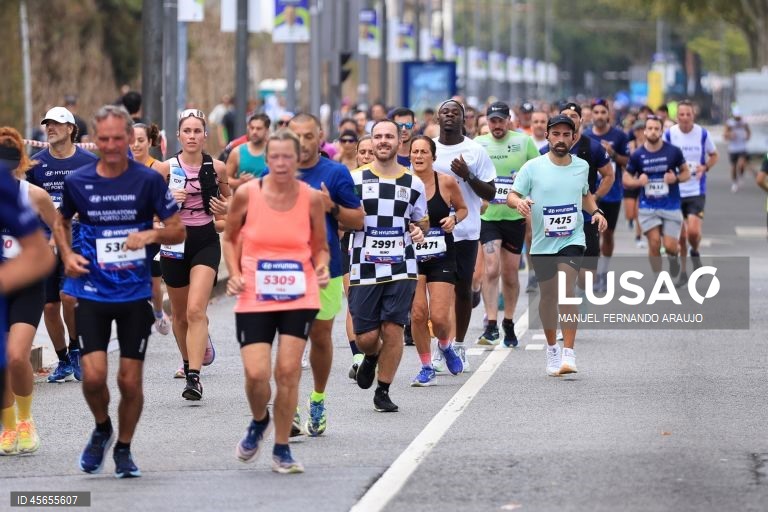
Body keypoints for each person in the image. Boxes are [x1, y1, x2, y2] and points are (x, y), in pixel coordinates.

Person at [53, 104, 185, 477]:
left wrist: (151, 233)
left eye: (118, 138)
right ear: (95, 140)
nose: (111, 146)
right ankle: (102, 428)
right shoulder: (78, 181)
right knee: (93, 377)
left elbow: (178, 231)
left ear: (129, 138)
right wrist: (67, 255)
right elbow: (60, 223)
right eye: (104, 139)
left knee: (129, 380)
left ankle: (124, 448)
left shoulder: (148, 181)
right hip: (92, 291)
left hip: (133, 294)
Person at [222, 129, 329, 474]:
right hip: (255, 293)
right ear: (267, 160)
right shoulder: (248, 194)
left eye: (288, 157)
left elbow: (320, 246)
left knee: (286, 371)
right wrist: (235, 271)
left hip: (299, 292)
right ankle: (259, 420)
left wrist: (323, 266)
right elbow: (230, 237)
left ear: (298, 161)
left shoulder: (311, 198)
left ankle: (282, 448)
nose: (281, 163)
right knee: (256, 375)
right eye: (275, 157)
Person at [508, 114, 607, 376]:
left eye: (566, 134)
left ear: (574, 138)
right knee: (548, 296)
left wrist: (596, 212)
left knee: (566, 289)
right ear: (548, 136)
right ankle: (552, 348)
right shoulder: (533, 167)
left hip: (572, 238)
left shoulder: (582, 166)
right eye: (556, 134)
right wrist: (518, 202)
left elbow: (584, 194)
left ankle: (569, 353)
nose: (561, 139)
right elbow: (513, 194)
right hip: (542, 243)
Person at [286, 114, 363, 436]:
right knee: (290, 339)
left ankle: (317, 398)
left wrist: (331, 207)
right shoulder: (275, 170)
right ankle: (289, 408)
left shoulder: (335, 173)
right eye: (295, 136)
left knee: (318, 337)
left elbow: (358, 220)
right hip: (284, 269)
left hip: (324, 269)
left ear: (320, 137)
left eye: (308, 136)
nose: (302, 143)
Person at [348, 120, 429, 412]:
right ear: (372, 140)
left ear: (399, 142)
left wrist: (420, 230)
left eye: (389, 136)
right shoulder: (354, 180)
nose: (383, 141)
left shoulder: (413, 182)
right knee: (366, 337)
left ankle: (383, 390)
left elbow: (422, 221)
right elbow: (342, 219)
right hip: (363, 264)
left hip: (402, 265)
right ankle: (371, 356)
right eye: (378, 136)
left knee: (394, 327)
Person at [155, 109, 231, 398]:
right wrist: (165, 201)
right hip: (173, 242)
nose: (192, 136)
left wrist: (225, 211)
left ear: (205, 135)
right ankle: (189, 362)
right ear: (178, 135)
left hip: (204, 240)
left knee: (196, 310)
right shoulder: (163, 170)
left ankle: (194, 378)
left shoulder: (218, 168)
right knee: (180, 315)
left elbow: (232, 205)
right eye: (187, 131)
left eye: (197, 131)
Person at [26, 106, 98, 384]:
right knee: (49, 307)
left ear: (70, 129)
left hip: (77, 237)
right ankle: (64, 359)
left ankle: (76, 347)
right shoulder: (35, 164)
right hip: (45, 243)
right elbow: (27, 201)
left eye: (56, 124)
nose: (50, 128)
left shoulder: (88, 161)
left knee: (70, 297)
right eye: (47, 124)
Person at [0, 128, 58, 456]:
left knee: (16, 355)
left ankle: (25, 421)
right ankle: (7, 427)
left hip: (27, 285)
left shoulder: (33, 195)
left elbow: (59, 224)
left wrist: (56, 249)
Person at [432, 99, 496, 372]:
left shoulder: (475, 150)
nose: (449, 116)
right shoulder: (429, 148)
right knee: (437, 293)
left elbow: (491, 193)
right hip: (434, 232)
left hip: (466, 231)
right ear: (438, 117)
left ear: (464, 119)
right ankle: (440, 346)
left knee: (462, 290)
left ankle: (458, 344)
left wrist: (468, 175)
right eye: (445, 112)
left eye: (455, 113)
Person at [475, 101, 539, 347]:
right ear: (487, 122)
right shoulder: (479, 144)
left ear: (509, 121)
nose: (497, 125)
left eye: (501, 120)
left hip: (514, 217)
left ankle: (508, 322)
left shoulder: (523, 142)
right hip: (488, 216)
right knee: (491, 269)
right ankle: (491, 324)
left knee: (511, 274)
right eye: (493, 121)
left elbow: (538, 171)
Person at [409, 136, 468, 386]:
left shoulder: (445, 182)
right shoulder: (402, 184)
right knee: (418, 314)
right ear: (409, 156)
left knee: (441, 318)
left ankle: (445, 346)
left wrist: (455, 219)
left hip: (442, 254)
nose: (419, 156)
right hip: (411, 255)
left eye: (424, 151)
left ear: (433, 156)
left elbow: (463, 209)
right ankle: (425, 366)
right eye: (415, 152)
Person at [542, 102, 613, 300]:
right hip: (555, 218)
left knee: (585, 275)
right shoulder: (543, 152)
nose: (570, 119)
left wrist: (595, 201)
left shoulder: (593, 148)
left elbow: (609, 175)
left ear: (581, 120)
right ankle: (566, 300)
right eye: (565, 115)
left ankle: (579, 294)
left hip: (584, 216)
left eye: (574, 116)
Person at [623, 116, 690, 275]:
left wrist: (676, 178)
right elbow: (626, 177)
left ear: (661, 131)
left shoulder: (673, 152)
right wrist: (638, 182)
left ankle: (673, 258)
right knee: (654, 243)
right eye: (650, 128)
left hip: (671, 206)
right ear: (645, 131)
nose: (653, 132)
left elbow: (686, 173)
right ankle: (659, 277)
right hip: (648, 207)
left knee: (670, 246)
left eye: (656, 129)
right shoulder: (638, 154)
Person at [663, 100, 718, 285]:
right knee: (682, 236)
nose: (685, 118)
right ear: (677, 117)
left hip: (696, 189)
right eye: (682, 115)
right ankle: (684, 273)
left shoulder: (702, 134)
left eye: (688, 114)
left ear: (693, 115)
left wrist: (705, 167)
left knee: (693, 232)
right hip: (676, 190)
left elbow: (714, 155)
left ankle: (695, 252)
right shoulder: (670, 134)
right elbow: (661, 155)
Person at [583, 98, 629, 293]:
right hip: (590, 195)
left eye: (603, 112)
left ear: (608, 114)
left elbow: (627, 161)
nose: (600, 116)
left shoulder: (618, 136)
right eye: (596, 113)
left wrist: (612, 153)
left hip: (612, 194)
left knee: (608, 234)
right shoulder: (585, 136)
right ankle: (592, 274)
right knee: (592, 236)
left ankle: (603, 271)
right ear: (592, 115)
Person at [131, 123, 171, 336]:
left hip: (154, 233)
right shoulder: (120, 166)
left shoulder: (160, 168)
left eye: (140, 140)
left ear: (149, 142)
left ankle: (157, 311)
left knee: (154, 284)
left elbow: (164, 201)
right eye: (131, 140)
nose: (135, 145)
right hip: (130, 233)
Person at [226, 113, 270, 190]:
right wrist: (239, 182)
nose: (254, 132)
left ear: (266, 130)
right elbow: (224, 179)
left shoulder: (273, 152)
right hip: (243, 200)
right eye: (252, 128)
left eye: (259, 128)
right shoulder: (237, 152)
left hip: (267, 200)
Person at [625, 120, 646, 248]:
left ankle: (638, 236)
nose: (640, 133)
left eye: (642, 130)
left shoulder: (649, 145)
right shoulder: (630, 145)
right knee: (630, 213)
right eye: (637, 130)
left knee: (638, 211)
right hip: (630, 181)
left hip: (642, 182)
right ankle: (630, 221)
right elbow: (624, 162)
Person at [724, 107, 751, 192]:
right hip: (732, 148)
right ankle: (734, 182)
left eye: (739, 116)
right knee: (733, 167)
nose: (738, 118)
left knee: (741, 164)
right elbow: (725, 135)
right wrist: (730, 135)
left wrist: (747, 137)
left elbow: (748, 132)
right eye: (736, 116)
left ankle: (741, 175)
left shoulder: (744, 122)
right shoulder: (729, 123)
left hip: (742, 147)